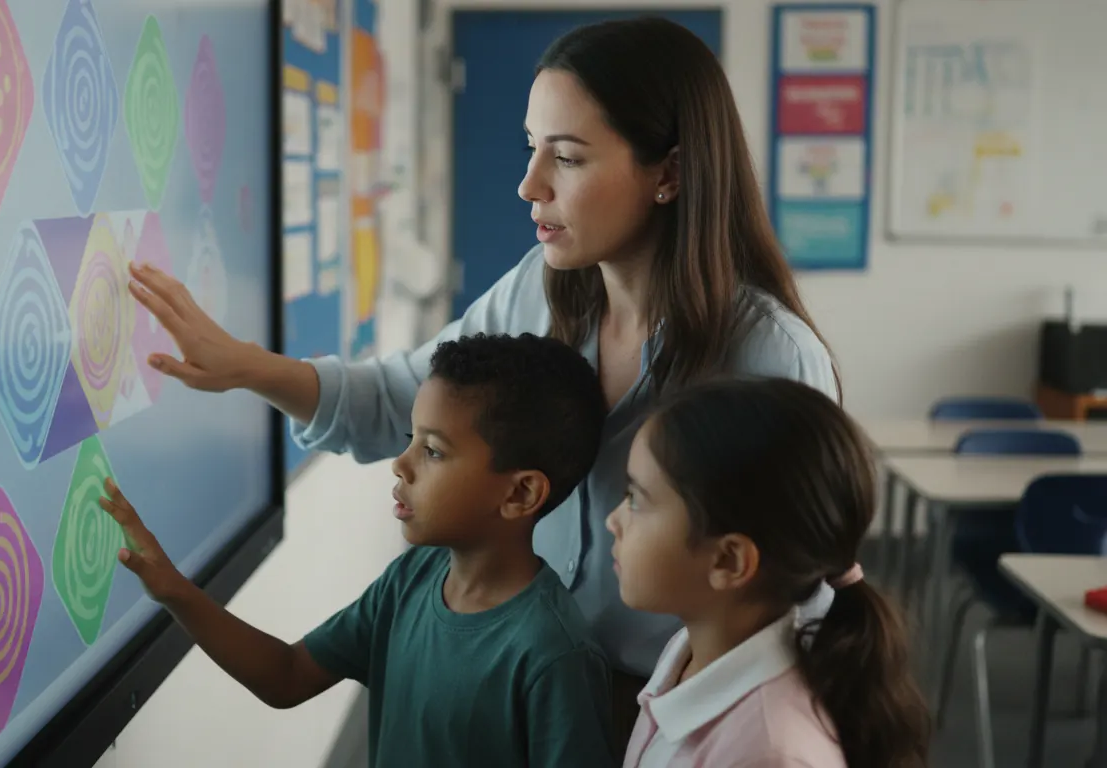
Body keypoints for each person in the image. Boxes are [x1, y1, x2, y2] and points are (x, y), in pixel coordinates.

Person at [124, 14, 837, 743]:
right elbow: (401, 402)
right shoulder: (541, 289)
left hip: (680, 721)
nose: (530, 185)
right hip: (514, 695)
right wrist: (247, 367)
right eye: (533, 149)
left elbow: (795, 593)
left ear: (672, 173)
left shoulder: (768, 357)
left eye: (568, 158)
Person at [101, 332, 617, 766]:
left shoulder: (554, 657)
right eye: (412, 437)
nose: (401, 463)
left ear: (520, 493)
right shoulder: (413, 578)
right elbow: (288, 675)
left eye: (433, 450)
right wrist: (174, 591)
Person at [607, 377, 930, 768]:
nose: (614, 521)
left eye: (636, 501)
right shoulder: (691, 649)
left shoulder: (769, 752)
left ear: (729, 561)